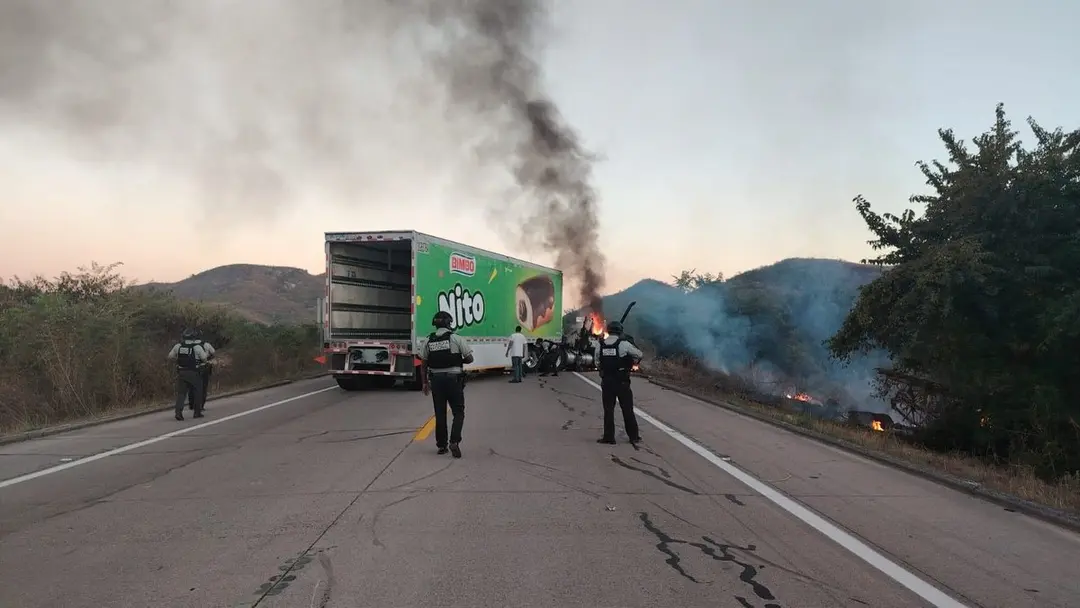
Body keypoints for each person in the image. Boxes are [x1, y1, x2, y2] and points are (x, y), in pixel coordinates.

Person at [419, 311, 474, 458]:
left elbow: (423, 364)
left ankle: (442, 446)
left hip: (436, 380)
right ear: (449, 323)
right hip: (453, 380)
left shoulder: (428, 340)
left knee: (440, 413)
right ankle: (454, 441)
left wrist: (424, 383)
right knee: (458, 412)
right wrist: (457, 360)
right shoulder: (456, 338)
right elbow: (470, 358)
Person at [594, 320, 644, 445]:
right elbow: (639, 354)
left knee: (608, 410)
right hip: (622, 381)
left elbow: (597, 362)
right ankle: (634, 436)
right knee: (627, 409)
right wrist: (632, 363)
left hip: (607, 381)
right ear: (620, 331)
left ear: (608, 331)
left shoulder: (600, 344)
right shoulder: (624, 344)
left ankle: (609, 437)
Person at [167, 328, 210, 421]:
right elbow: (204, 359)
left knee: (181, 394)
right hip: (194, 372)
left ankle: (178, 413)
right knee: (198, 391)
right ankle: (197, 412)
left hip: (181, 372)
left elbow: (170, 356)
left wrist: (178, 361)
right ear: (194, 337)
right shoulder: (197, 347)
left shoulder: (178, 346)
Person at [186, 330, 216, 411]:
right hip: (203, 368)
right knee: (203, 387)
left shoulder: (188, 345)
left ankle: (191, 404)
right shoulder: (206, 344)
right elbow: (213, 352)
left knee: (191, 387)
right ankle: (200, 405)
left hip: (191, 368)